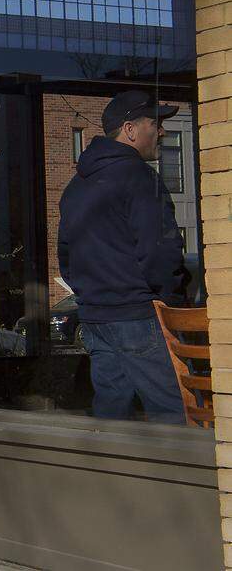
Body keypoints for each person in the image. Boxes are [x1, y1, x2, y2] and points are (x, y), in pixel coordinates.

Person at [58, 90, 188, 424]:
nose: (162, 132)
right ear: (130, 129)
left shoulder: (76, 187)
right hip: (139, 316)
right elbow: (160, 251)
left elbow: (67, 258)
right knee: (177, 418)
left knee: (113, 421)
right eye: (155, 123)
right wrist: (169, 302)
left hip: (96, 320)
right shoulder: (140, 178)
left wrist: (93, 297)